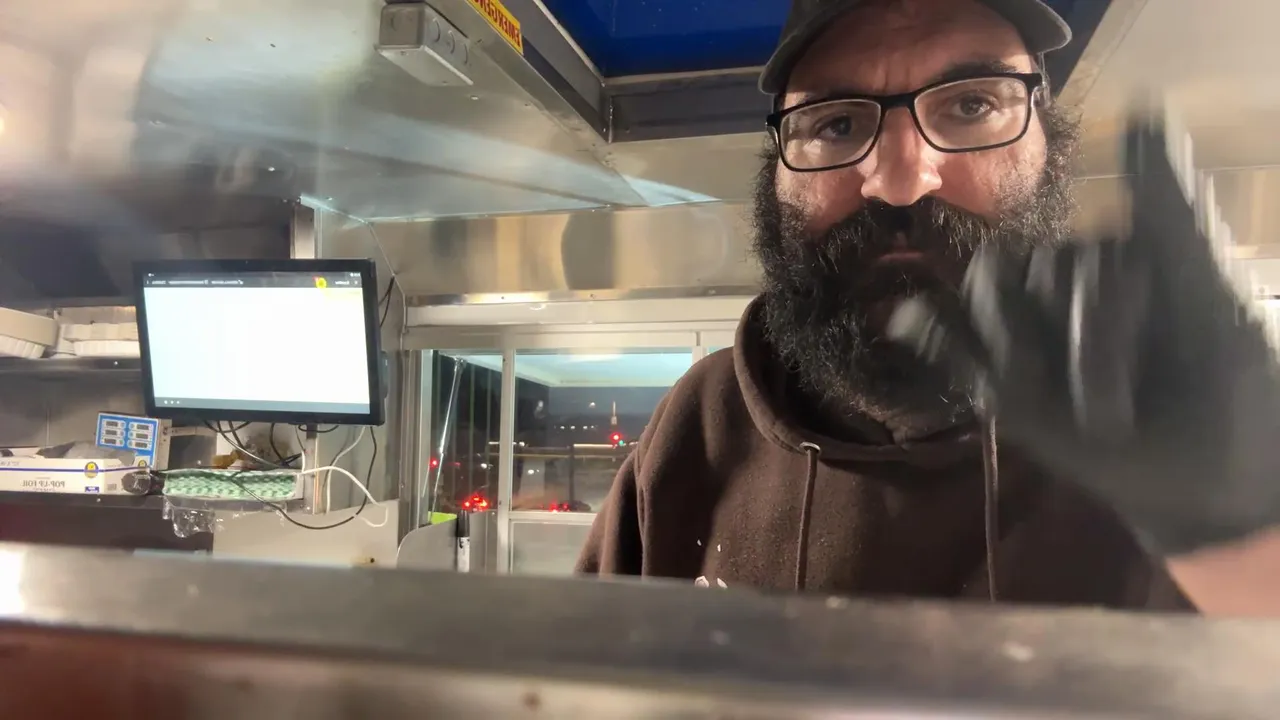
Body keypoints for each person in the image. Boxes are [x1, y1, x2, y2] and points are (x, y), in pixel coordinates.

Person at [576, 0, 1280, 616]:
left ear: (1049, 145)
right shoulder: (699, 424)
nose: (901, 181)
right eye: (836, 123)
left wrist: (1248, 546)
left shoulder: (1164, 414)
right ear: (775, 171)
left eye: (971, 106)